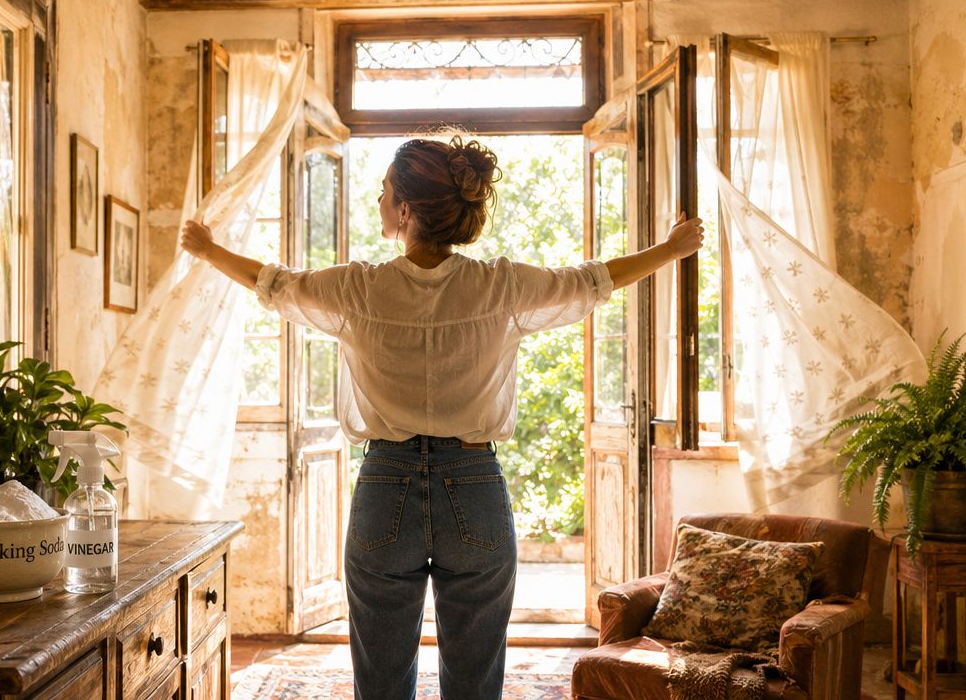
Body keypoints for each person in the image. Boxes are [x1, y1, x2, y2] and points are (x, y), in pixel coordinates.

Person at [181, 135, 703, 700]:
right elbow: (591, 281)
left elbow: (275, 285)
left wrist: (208, 249)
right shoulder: (499, 285)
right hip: (475, 484)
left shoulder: (359, 288)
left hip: (385, 483)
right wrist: (671, 250)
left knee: (379, 675)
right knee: (475, 675)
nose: (378, 200)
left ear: (405, 210)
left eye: (384, 192)